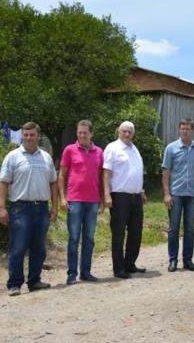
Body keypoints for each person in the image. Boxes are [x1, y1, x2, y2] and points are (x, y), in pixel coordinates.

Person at [0, 122, 58, 296]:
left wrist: (54, 207)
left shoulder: (46, 157)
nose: (29, 138)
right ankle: (14, 284)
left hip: (41, 208)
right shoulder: (13, 157)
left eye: (32, 135)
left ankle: (34, 280)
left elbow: (53, 183)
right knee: (18, 247)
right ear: (22, 136)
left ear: (38, 136)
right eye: (26, 135)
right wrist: (1, 208)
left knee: (39, 247)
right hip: (20, 208)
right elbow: (3, 183)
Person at [58, 119, 104, 285]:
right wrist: (62, 198)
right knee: (74, 238)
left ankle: (86, 272)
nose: (82, 135)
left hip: (93, 201)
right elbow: (62, 175)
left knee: (89, 238)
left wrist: (103, 199)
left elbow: (102, 177)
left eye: (85, 133)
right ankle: (71, 274)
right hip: (74, 199)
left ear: (91, 134)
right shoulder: (69, 150)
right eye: (79, 133)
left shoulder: (99, 152)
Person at [103, 121, 147, 279]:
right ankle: (118, 268)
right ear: (118, 132)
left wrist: (141, 191)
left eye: (129, 132)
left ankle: (130, 264)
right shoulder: (112, 148)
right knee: (119, 233)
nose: (127, 134)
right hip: (120, 196)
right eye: (124, 131)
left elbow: (135, 171)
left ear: (133, 133)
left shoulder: (134, 149)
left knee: (136, 232)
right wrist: (107, 195)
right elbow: (106, 173)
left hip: (136, 197)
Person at [162, 118, 194, 272]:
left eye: (188, 128)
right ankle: (173, 260)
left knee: (190, 229)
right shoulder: (171, 148)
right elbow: (165, 172)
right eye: (182, 128)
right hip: (176, 194)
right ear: (179, 130)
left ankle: (188, 260)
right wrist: (166, 193)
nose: (185, 131)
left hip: (192, 194)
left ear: (192, 130)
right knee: (173, 228)